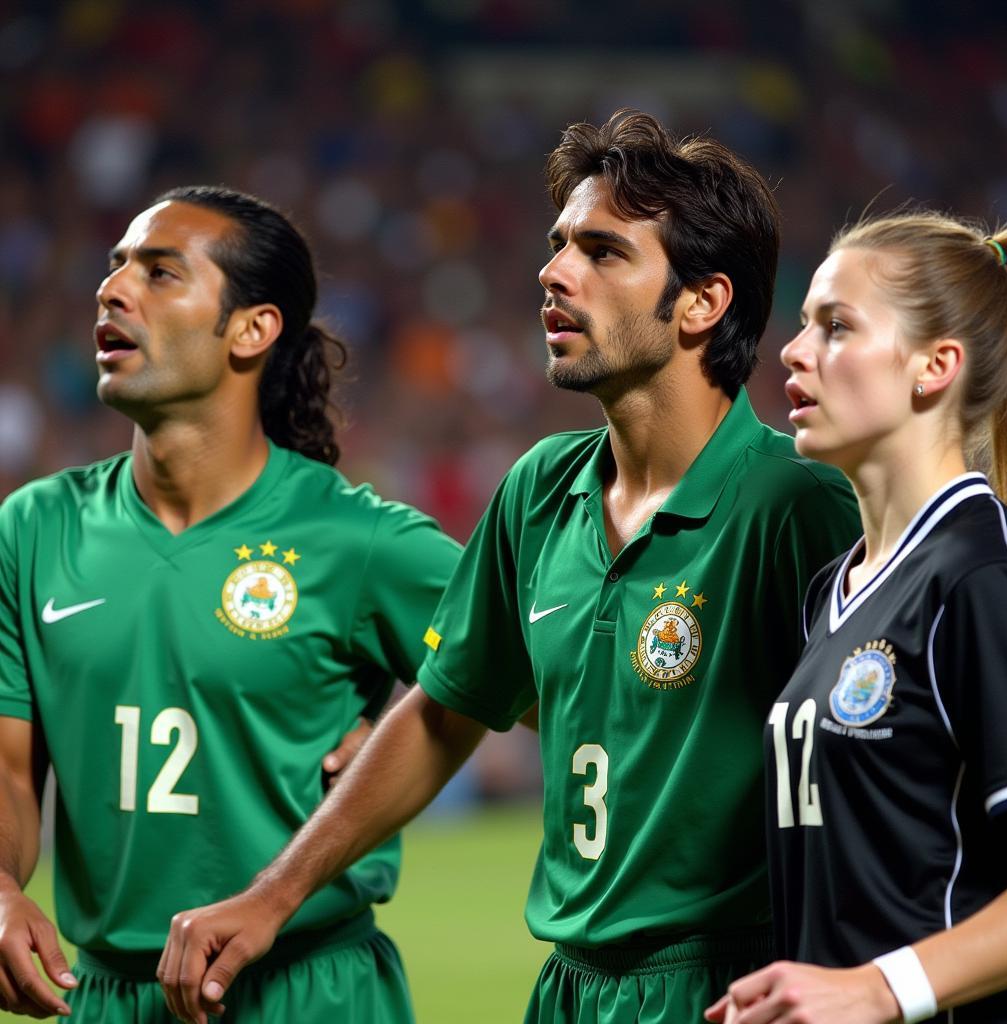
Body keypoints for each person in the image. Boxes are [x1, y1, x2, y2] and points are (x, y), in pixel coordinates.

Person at [157, 111, 861, 1024]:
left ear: (702, 303)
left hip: (732, 985)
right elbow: (446, 709)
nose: (554, 272)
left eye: (604, 253)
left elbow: (881, 762)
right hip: (566, 988)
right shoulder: (538, 491)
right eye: (558, 244)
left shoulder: (794, 510)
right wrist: (273, 894)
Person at [0, 185, 461, 1021]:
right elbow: (9, 774)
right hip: (106, 997)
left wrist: (406, 725)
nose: (113, 288)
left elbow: (541, 674)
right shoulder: (33, 530)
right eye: (115, 267)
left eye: (161, 272)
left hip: (306, 988)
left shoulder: (356, 541)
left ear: (252, 329)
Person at [706, 213, 1007, 1024]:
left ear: (935, 366)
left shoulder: (984, 579)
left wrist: (882, 988)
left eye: (836, 327)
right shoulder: (834, 588)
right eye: (806, 321)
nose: (794, 350)